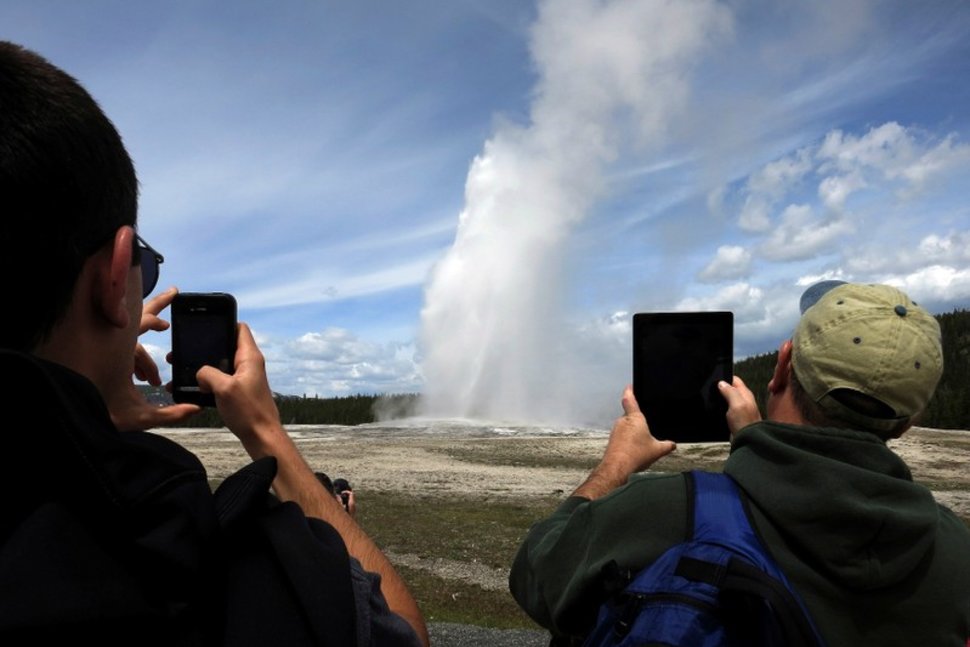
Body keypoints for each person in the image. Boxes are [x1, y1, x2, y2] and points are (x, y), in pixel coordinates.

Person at [0, 41, 427, 646]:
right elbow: (404, 633)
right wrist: (265, 432)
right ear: (116, 272)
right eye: (143, 265)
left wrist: (83, 420)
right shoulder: (170, 543)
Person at [509, 280, 970, 645]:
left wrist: (615, 466)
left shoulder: (666, 511)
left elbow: (536, 577)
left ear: (782, 365)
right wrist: (753, 441)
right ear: (910, 422)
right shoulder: (953, 548)